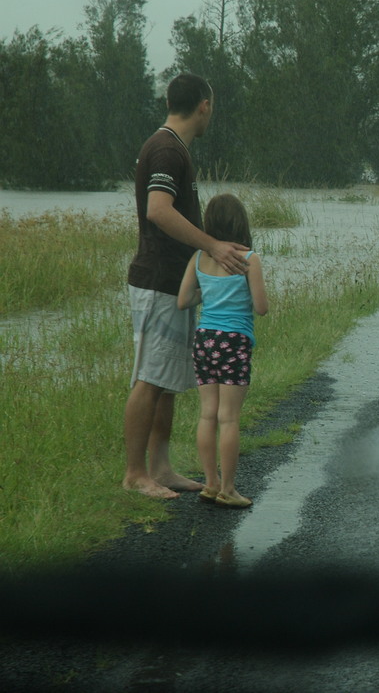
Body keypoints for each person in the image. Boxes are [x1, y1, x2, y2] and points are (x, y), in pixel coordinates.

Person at [122, 73, 250, 500]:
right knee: (149, 377)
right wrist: (212, 244)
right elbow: (158, 211)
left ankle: (161, 467)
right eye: (211, 105)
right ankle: (135, 473)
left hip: (172, 281)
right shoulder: (165, 150)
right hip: (157, 280)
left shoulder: (174, 149)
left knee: (167, 378)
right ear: (204, 105)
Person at [178, 193, 269, 509]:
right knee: (229, 418)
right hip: (234, 341)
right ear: (241, 222)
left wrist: (211, 295)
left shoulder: (199, 257)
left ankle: (211, 483)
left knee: (207, 414)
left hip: (205, 339)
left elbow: (184, 300)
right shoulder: (249, 259)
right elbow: (261, 307)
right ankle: (229, 489)